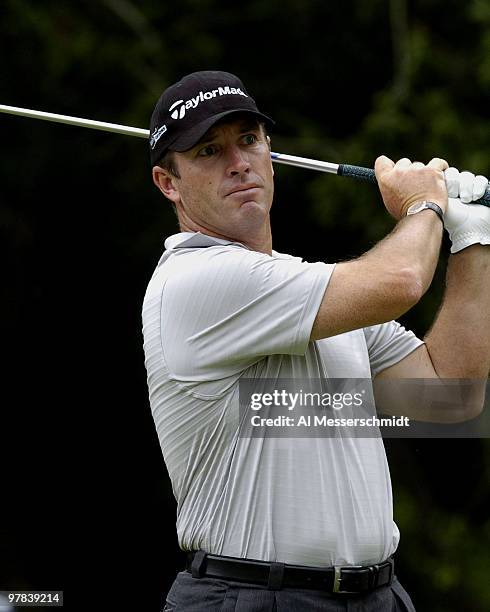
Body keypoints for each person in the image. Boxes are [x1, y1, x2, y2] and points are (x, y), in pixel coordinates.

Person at [142, 70, 490, 611]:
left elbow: (451, 394)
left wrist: (474, 238)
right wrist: (425, 205)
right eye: (209, 150)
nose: (238, 163)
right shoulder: (193, 283)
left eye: (249, 140)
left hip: (380, 596)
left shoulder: (310, 291)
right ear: (169, 183)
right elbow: (401, 281)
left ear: (270, 150)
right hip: (253, 597)